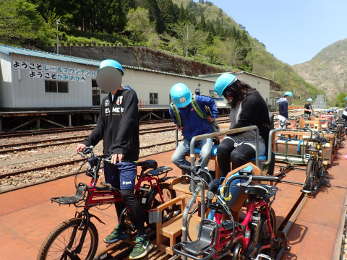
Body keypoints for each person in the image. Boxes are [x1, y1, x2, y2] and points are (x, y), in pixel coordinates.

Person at [76, 59, 152, 259]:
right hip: (110, 156)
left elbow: (128, 122)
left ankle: (143, 235)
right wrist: (88, 141)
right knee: (116, 194)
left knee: (127, 193)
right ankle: (122, 227)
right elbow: (101, 127)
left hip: (125, 154)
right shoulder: (105, 101)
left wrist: (119, 147)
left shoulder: (129, 95)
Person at [214, 73, 271, 177]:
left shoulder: (252, 99)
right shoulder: (237, 98)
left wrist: (221, 134)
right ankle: (224, 179)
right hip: (238, 136)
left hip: (256, 139)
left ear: (232, 89)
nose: (226, 98)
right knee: (222, 149)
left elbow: (241, 125)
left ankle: (239, 185)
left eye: (226, 94)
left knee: (237, 156)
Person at [169, 83, 218, 172]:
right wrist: (178, 124)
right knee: (175, 158)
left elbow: (211, 101)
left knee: (205, 153)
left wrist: (213, 115)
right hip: (188, 138)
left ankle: (201, 171)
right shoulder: (173, 108)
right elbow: (174, 118)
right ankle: (196, 172)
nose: (184, 105)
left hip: (204, 135)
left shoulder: (197, 99)